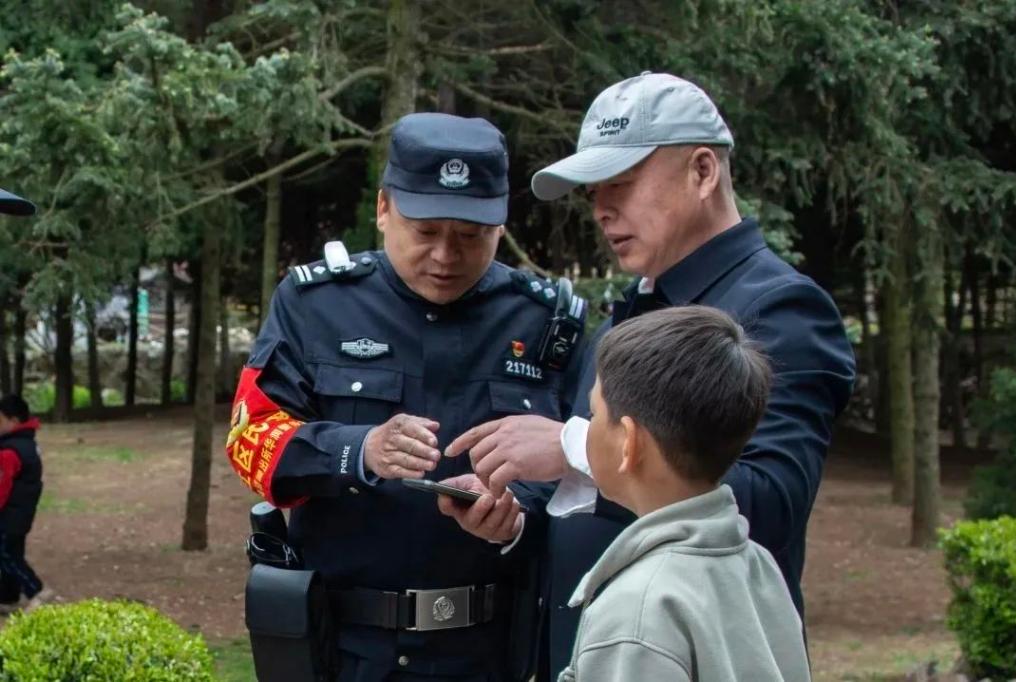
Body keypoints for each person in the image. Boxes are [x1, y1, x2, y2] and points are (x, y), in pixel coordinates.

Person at [441, 72, 856, 678]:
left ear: (703, 171)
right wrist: (515, 518)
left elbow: (769, 505)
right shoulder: (631, 312)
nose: (601, 209)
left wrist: (572, 446)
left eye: (622, 183)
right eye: (593, 191)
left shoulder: (779, 308)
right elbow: (597, 501)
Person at [225, 112, 586, 681]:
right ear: (383, 209)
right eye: (426, 231)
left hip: (491, 651)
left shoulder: (546, 322)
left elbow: (587, 461)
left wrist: (517, 516)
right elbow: (250, 439)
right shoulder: (314, 305)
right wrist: (358, 449)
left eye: (470, 236)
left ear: (500, 225)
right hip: (347, 651)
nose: (445, 255)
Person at [559, 306, 810, 682]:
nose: (588, 425)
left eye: (594, 414)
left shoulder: (637, 610)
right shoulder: (757, 563)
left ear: (628, 442)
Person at [0, 394, 51, 613]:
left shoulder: (10, 451)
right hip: (21, 513)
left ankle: (36, 590)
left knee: (6, 555)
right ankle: (8, 596)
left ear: (14, 421)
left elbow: (2, 486)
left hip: (8, 514)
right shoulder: (27, 443)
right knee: (11, 552)